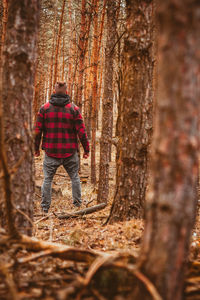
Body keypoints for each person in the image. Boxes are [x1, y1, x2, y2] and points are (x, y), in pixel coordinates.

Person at [34, 82, 89, 213]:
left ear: (54, 91)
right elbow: (81, 131)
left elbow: (37, 131)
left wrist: (36, 149)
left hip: (51, 151)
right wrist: (86, 149)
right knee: (74, 177)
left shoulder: (45, 108)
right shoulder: (73, 109)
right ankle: (77, 206)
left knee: (47, 179)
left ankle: (45, 208)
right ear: (65, 92)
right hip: (70, 152)